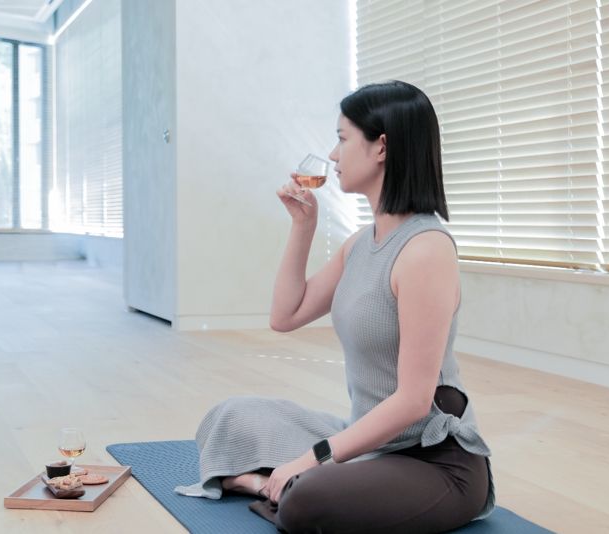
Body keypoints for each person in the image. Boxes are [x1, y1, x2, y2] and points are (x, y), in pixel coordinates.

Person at [175, 81, 494, 533]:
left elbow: (413, 401)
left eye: (342, 139)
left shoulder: (426, 250)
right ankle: (277, 482)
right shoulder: (361, 244)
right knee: (229, 417)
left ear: (381, 147)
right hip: (367, 441)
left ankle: (265, 483)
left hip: (432, 461)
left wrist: (315, 456)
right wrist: (303, 226)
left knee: (309, 501)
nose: (332, 154)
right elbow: (285, 316)